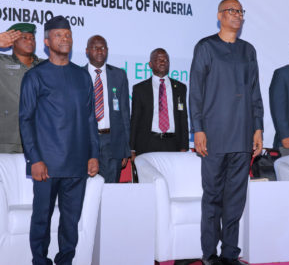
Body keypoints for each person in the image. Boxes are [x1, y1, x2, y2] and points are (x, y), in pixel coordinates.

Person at [19, 15, 99, 264]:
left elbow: (90, 120)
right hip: (46, 165)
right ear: (46, 41)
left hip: (77, 164)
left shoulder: (83, 76)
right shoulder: (35, 76)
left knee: (71, 221)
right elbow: (25, 120)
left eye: (67, 34)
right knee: (41, 219)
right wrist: (35, 158)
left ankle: (66, 260)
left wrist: (93, 154)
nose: (64, 38)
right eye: (58, 35)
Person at [190, 0, 264, 265]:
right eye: (232, 11)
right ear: (220, 16)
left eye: (240, 11)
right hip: (214, 136)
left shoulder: (248, 51)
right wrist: (197, 129)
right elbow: (195, 93)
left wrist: (258, 128)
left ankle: (230, 254)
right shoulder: (206, 47)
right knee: (212, 197)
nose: (237, 15)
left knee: (235, 199)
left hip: (243, 136)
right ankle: (209, 254)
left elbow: (255, 92)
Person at [84, 35, 131, 183]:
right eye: (95, 47)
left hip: (112, 140)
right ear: (87, 51)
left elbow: (125, 112)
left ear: (107, 51)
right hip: (86, 141)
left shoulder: (119, 75)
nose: (99, 51)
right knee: (88, 190)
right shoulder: (78, 74)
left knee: (110, 190)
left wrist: (126, 148)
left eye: (103, 47)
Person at [130, 48, 189, 156]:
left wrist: (184, 146)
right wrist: (132, 148)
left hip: (173, 145)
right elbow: (135, 120)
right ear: (150, 64)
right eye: (159, 59)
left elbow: (183, 119)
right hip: (147, 144)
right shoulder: (140, 89)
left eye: (166, 60)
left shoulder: (180, 88)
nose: (163, 62)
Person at [0, 23, 43, 153]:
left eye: (32, 38)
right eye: (24, 37)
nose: (30, 41)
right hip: (7, 138)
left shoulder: (44, 66)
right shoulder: (2, 62)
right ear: (12, 42)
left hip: (38, 138)